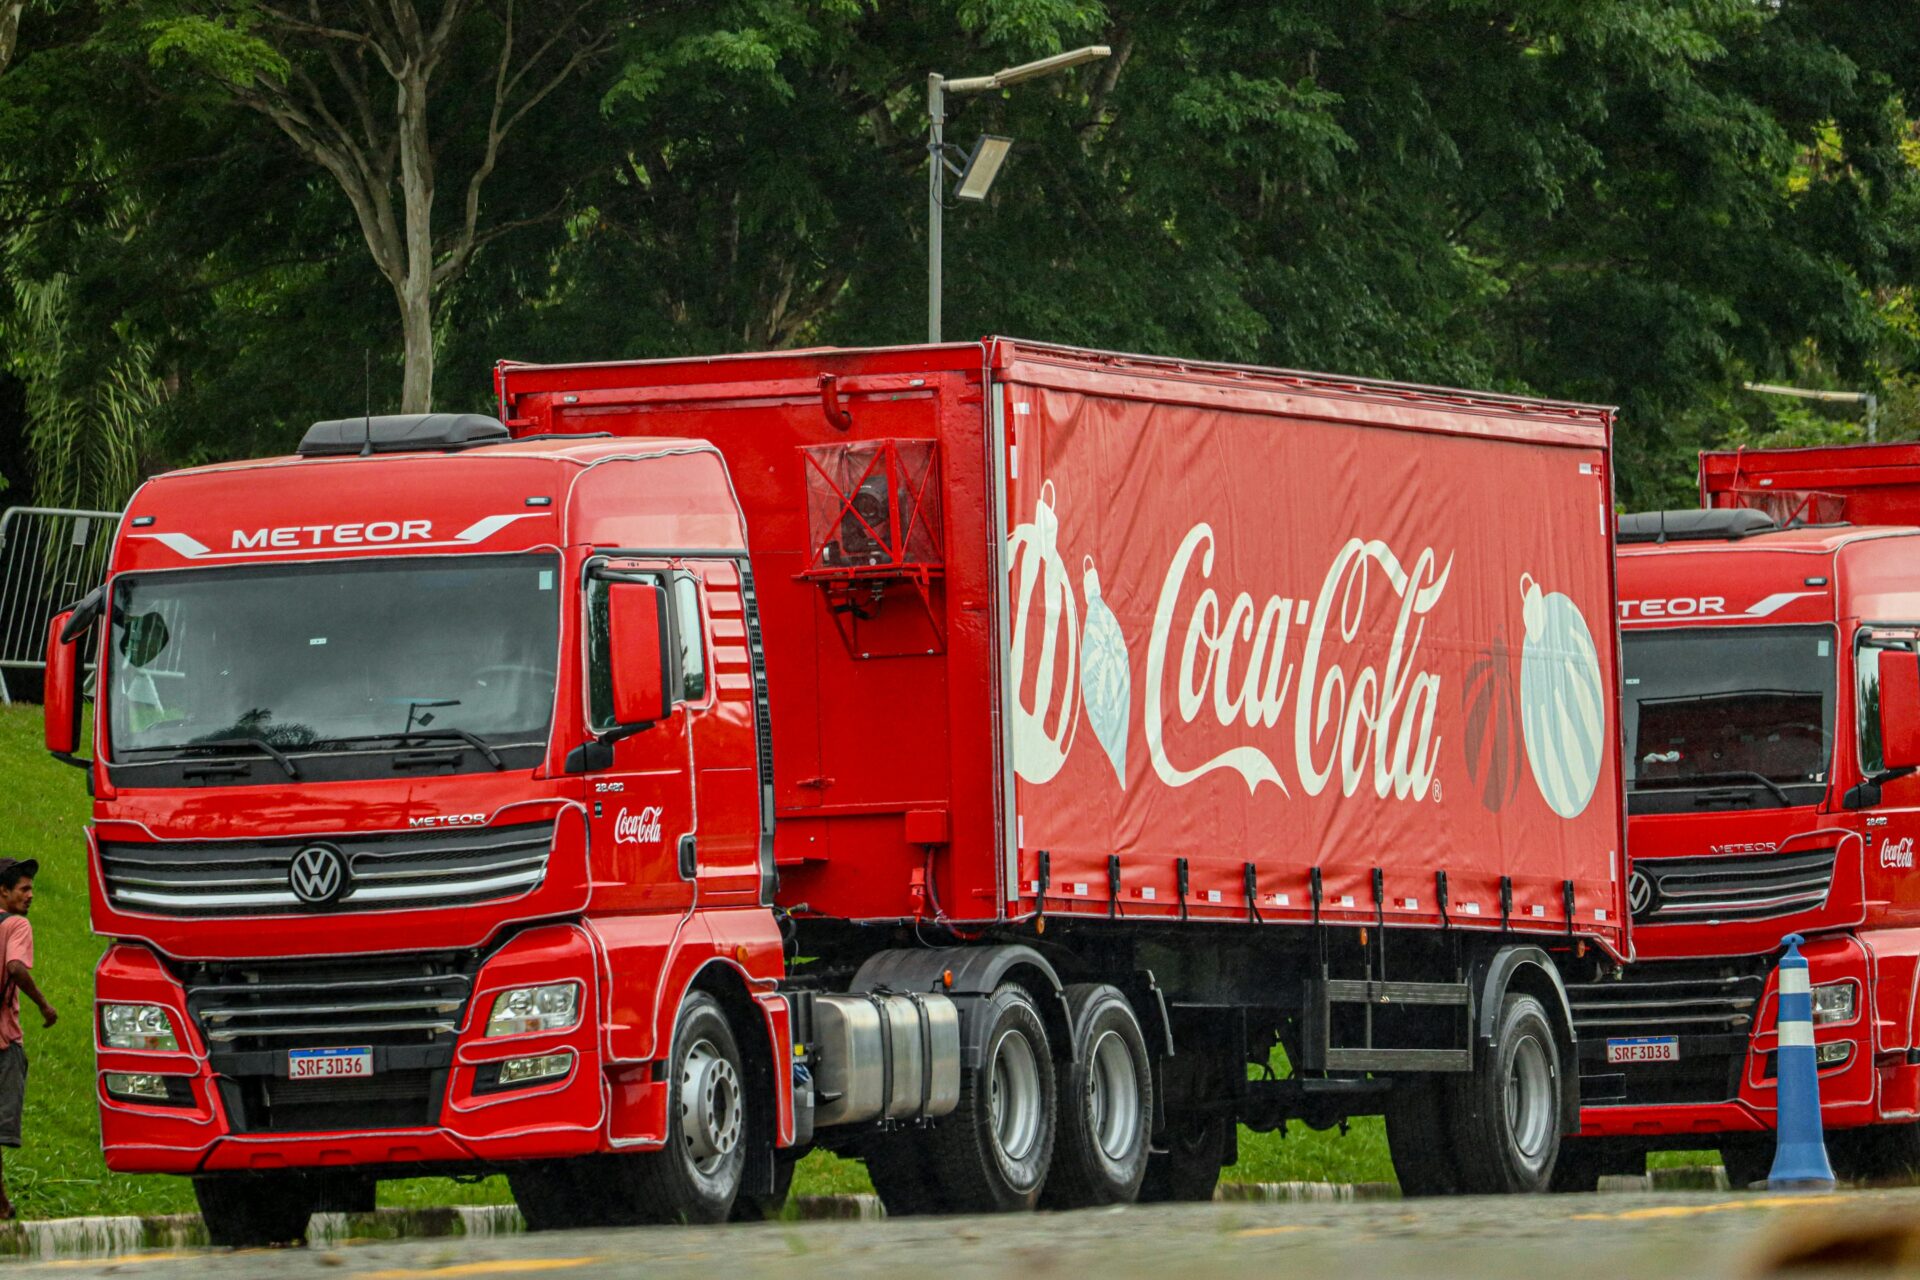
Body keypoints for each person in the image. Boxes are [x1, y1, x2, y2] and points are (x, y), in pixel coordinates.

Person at [0, 858, 56, 1220]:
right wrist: (45, 1006)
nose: (30, 895)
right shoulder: (16, 925)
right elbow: (15, 967)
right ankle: (1, 1203)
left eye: (31, 888)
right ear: (3, 892)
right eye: (24, 889)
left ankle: (1, 1203)